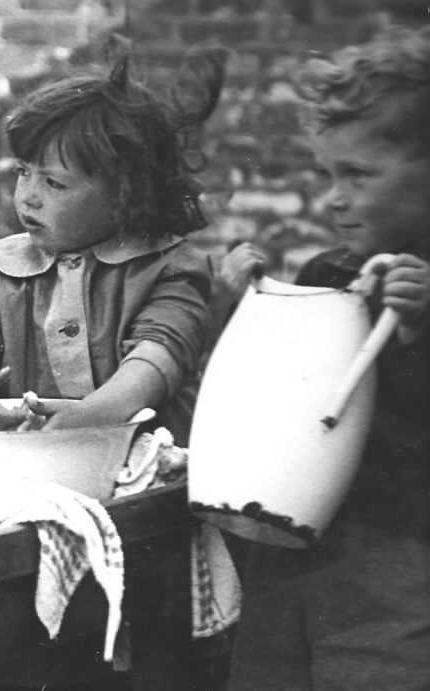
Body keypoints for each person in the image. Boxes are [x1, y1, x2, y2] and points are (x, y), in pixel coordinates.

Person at [220, 26, 430, 689]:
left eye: (359, 174)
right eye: (329, 174)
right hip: (291, 545)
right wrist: (244, 304)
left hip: (399, 562)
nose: (335, 197)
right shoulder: (326, 272)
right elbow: (275, 396)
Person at [0, 52, 225, 445]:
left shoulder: (167, 269)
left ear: (125, 194)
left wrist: (90, 416)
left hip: (143, 457)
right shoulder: (1, 268)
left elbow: (159, 355)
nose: (28, 198)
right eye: (23, 172)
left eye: (53, 183)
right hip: (31, 458)